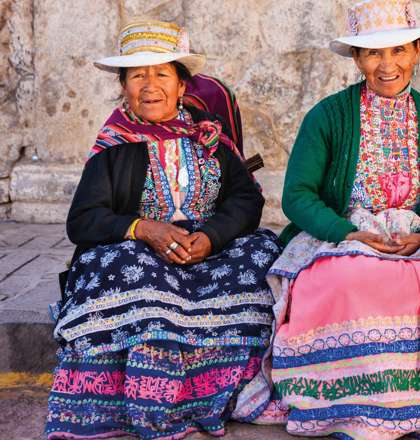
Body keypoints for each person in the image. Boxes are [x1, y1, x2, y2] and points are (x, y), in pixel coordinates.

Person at [233, 1, 420, 438]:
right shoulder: (328, 116)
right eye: (374, 53)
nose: (387, 65)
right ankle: (355, 407)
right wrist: (350, 233)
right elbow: (297, 196)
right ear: (357, 59)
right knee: (345, 279)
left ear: (417, 51)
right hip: (346, 233)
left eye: (399, 50)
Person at [45, 20, 281, 440]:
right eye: (137, 75)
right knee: (131, 278)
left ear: (181, 85)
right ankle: (152, 402)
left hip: (206, 247)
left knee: (264, 260)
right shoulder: (114, 144)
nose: (149, 85)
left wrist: (211, 237)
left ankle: (235, 393)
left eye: (161, 73)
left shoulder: (208, 137)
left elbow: (246, 200)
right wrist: (141, 228)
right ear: (124, 86)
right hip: (140, 251)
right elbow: (83, 220)